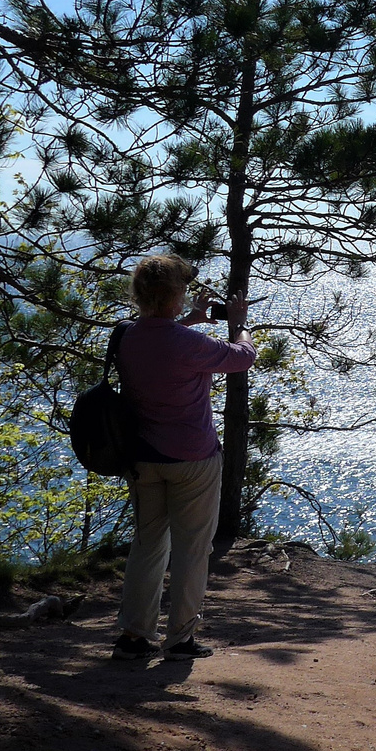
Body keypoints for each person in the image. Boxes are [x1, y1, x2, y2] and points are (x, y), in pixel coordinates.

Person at [110, 254, 257, 661]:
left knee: (147, 545)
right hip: (193, 459)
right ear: (176, 295)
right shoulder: (188, 344)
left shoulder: (126, 336)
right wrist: (239, 324)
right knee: (193, 549)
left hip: (143, 457)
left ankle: (135, 637)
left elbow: (161, 341)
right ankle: (180, 639)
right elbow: (242, 357)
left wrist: (189, 320)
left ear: (140, 294)